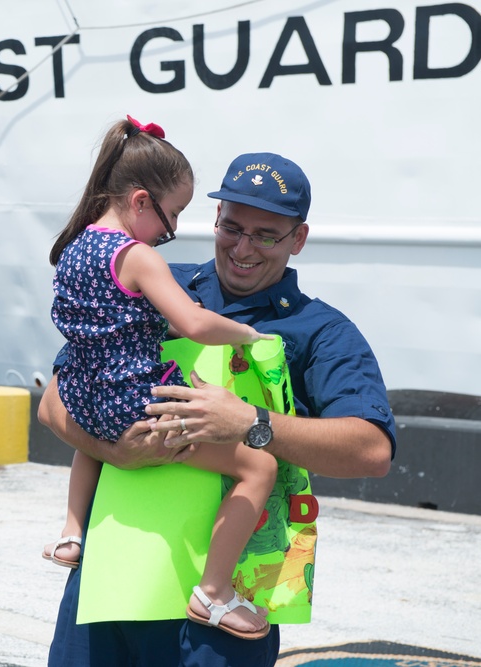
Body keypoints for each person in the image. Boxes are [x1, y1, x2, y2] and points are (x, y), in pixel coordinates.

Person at [39, 150, 397, 667]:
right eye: (232, 227)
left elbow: (372, 451)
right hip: (111, 582)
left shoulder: (321, 332)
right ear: (215, 220)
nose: (243, 247)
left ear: (299, 238)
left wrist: (253, 423)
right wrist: (118, 450)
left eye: (266, 234)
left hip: (221, 622)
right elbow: (55, 402)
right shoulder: (157, 284)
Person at [41, 115, 276, 640]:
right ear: (142, 201)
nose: (171, 232)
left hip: (87, 394)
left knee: (91, 444)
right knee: (258, 466)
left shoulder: (76, 247)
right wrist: (243, 334)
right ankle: (213, 594)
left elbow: (112, 319)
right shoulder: (138, 255)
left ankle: (72, 532)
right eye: (172, 217)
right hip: (138, 405)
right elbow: (192, 323)